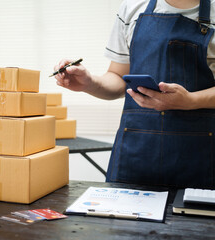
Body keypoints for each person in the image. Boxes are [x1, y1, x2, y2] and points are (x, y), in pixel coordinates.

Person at [54, 0, 215, 188]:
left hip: (200, 157)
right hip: (136, 154)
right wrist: (90, 83)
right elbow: (118, 76)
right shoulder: (132, 8)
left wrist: (190, 101)